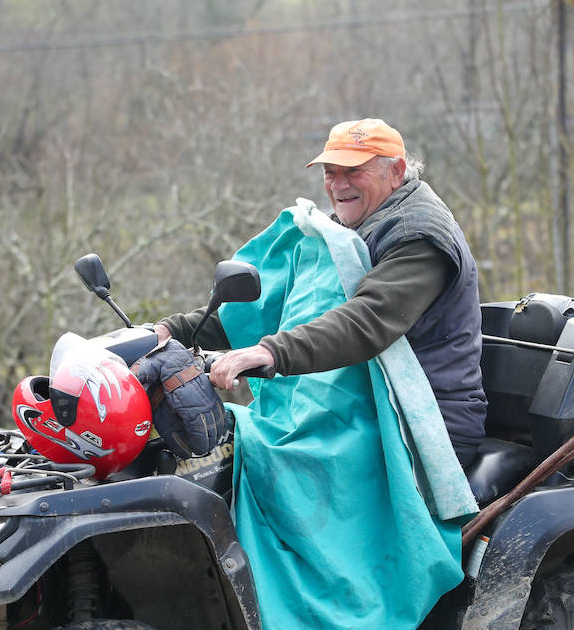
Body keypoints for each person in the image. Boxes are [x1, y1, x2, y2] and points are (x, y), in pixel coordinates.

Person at [157, 118, 487, 466]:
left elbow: (367, 319)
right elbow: (267, 304)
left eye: (354, 171)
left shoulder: (417, 235)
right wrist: (170, 331)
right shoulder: (349, 226)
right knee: (225, 450)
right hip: (366, 404)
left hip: (425, 419)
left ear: (396, 171)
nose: (339, 185)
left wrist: (271, 352)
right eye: (330, 173)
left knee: (270, 463)